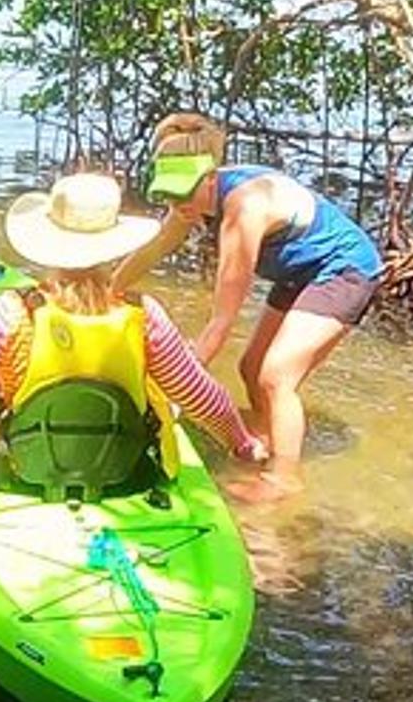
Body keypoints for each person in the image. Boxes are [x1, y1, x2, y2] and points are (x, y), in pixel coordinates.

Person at [0, 173, 268, 497]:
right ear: (113, 248)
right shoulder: (145, 317)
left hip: (24, 475)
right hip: (122, 477)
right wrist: (242, 444)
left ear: (47, 245)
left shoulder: (10, 314)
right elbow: (204, 399)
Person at [116, 113, 383, 497]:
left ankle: (283, 479)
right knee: (249, 367)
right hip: (298, 270)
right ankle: (268, 439)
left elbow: (221, 323)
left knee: (276, 375)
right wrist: (105, 288)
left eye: (183, 192)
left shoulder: (244, 210)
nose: (177, 204)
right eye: (167, 193)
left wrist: (177, 391)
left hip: (343, 268)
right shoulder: (189, 200)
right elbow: (153, 249)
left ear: (211, 178)